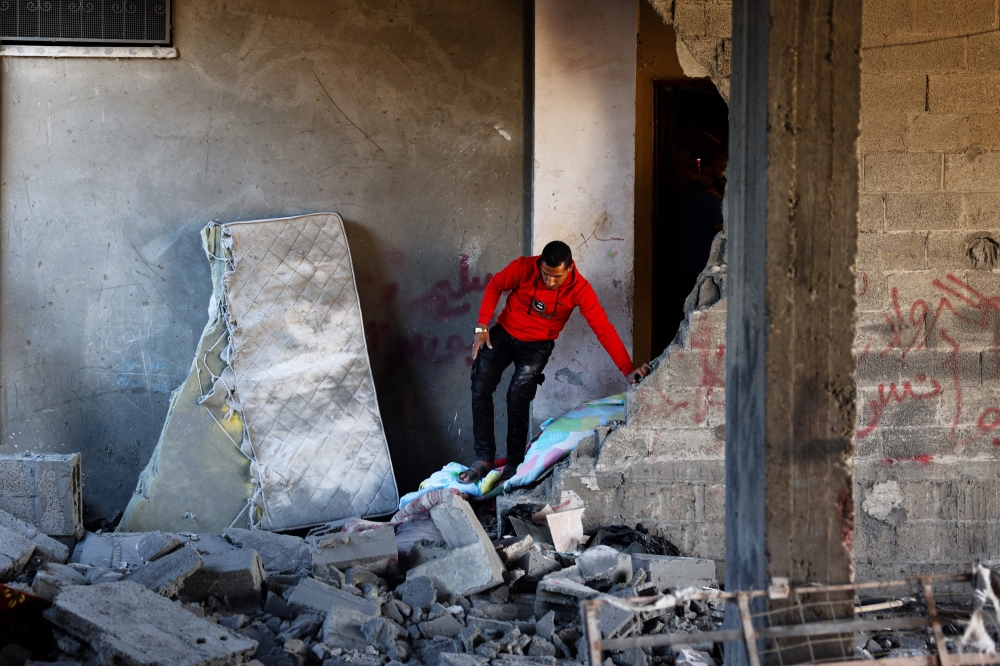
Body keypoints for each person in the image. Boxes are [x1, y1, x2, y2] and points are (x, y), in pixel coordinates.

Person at [458, 241, 650, 484]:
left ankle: (514, 465)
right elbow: (496, 284)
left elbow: (603, 328)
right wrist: (482, 325)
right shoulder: (524, 268)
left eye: (556, 277)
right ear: (540, 265)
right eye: (546, 275)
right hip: (504, 334)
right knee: (480, 385)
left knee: (517, 396)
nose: (550, 282)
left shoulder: (580, 289)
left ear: (569, 269)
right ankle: (484, 459)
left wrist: (626, 368)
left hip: (537, 347)